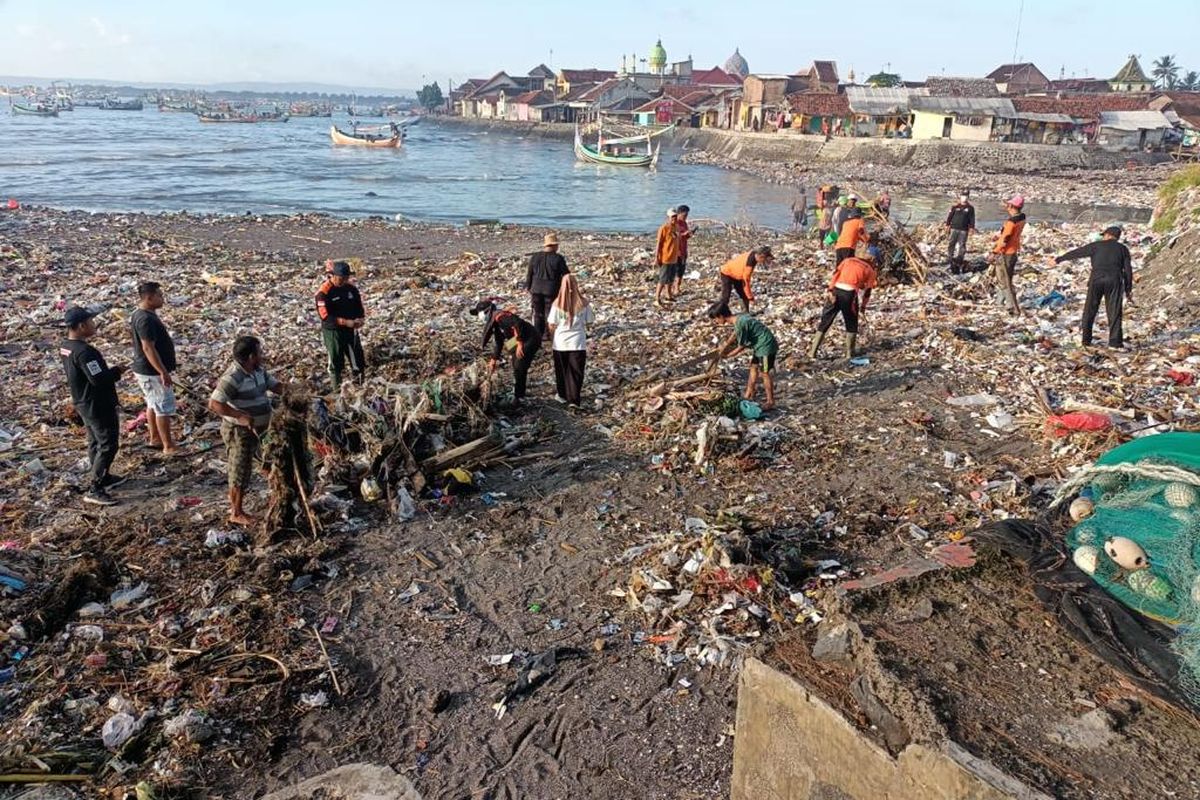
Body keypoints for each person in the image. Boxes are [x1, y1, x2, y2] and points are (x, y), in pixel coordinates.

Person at [207, 336, 286, 526]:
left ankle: (278, 497)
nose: (262, 355)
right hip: (240, 430)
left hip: (262, 429)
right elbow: (214, 403)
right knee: (240, 469)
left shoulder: (259, 371)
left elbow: (276, 387)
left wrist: (299, 392)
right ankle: (236, 512)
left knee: (269, 462)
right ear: (251, 356)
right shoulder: (233, 377)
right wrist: (239, 416)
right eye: (259, 352)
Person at [61, 306, 127, 506]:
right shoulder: (86, 352)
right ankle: (95, 487)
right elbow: (99, 379)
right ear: (81, 326)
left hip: (82, 400)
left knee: (94, 442)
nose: (94, 324)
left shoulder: (66, 346)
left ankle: (103, 476)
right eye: (90, 321)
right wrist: (117, 371)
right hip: (97, 403)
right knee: (108, 443)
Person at [1052, 225, 1134, 348]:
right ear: (1117, 238)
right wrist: (1128, 289)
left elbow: (1078, 252)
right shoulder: (1123, 249)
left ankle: (1086, 340)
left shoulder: (1096, 246)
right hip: (1115, 280)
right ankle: (1115, 342)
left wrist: (1059, 259)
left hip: (1097, 279)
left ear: (1107, 235)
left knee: (1090, 309)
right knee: (1114, 311)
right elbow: (1128, 270)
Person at [129, 281, 180, 455]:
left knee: (153, 404)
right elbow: (148, 347)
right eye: (159, 295)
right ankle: (168, 445)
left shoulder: (141, 314)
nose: (162, 298)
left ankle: (155, 438)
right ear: (149, 298)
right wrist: (162, 371)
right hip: (151, 372)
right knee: (163, 407)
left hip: (147, 370)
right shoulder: (145, 319)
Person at [808, 245, 880, 359]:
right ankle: (849, 354)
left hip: (835, 291)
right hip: (849, 295)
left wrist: (830, 290)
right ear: (873, 259)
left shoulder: (848, 260)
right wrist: (863, 307)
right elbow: (867, 292)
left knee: (825, 321)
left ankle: (812, 352)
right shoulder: (869, 270)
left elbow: (835, 274)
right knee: (851, 323)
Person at [708, 304, 779, 411]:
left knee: (764, 373)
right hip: (759, 345)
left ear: (721, 316)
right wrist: (725, 345)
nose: (716, 322)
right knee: (753, 367)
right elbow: (735, 334)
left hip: (766, 346)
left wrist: (728, 355)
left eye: (715, 319)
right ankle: (749, 393)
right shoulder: (739, 318)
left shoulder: (741, 323)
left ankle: (770, 401)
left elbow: (742, 346)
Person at [472, 299, 541, 403]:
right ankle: (517, 385)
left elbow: (518, 323)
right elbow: (499, 342)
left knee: (519, 364)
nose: (478, 316)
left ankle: (519, 396)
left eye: (479, 313)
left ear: (487, 312)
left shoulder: (501, 317)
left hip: (529, 336)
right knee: (510, 349)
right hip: (516, 338)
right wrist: (494, 360)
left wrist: (520, 343)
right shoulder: (495, 323)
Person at [315, 261, 366, 390]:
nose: (343, 281)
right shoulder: (324, 292)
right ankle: (337, 390)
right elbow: (325, 316)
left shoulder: (351, 289)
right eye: (341, 279)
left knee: (358, 359)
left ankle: (359, 387)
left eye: (346, 278)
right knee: (336, 361)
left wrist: (360, 319)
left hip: (351, 330)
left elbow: (358, 307)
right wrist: (344, 322)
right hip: (333, 331)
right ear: (333, 276)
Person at [546, 275, 595, 409]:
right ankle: (574, 400)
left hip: (560, 343)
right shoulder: (584, 303)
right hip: (577, 343)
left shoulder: (557, 304)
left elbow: (551, 324)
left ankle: (562, 395)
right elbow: (590, 321)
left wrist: (552, 337)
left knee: (562, 371)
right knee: (576, 373)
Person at [525, 232, 570, 340]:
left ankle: (537, 333)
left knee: (537, 312)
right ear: (554, 246)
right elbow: (566, 274)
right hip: (551, 290)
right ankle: (547, 334)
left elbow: (529, 274)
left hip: (535, 289)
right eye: (557, 245)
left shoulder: (535, 257)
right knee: (549, 312)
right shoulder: (558, 258)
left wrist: (529, 287)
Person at [708, 246, 773, 315]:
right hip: (727, 273)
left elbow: (767, 254)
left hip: (737, 274)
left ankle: (746, 312)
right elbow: (746, 283)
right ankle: (718, 314)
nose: (764, 262)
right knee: (726, 296)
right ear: (761, 256)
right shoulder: (749, 264)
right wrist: (751, 298)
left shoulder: (754, 253)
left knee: (743, 294)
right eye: (764, 259)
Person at [990, 195, 1027, 316]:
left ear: (1011, 206)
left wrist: (994, 252)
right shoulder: (1021, 218)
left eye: (1008, 204)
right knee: (1004, 279)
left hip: (1006, 253)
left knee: (1004, 281)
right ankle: (999, 302)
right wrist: (999, 236)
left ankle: (1012, 308)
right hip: (1014, 251)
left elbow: (1005, 239)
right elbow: (1006, 235)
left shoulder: (1012, 222)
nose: (1006, 206)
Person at [654, 208, 683, 306]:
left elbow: (677, 241)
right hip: (665, 257)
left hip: (674, 257)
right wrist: (656, 257)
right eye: (672, 217)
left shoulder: (676, 227)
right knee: (663, 279)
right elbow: (659, 243)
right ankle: (657, 298)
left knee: (670, 278)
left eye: (675, 216)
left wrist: (679, 253)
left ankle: (668, 295)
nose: (674, 218)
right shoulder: (664, 228)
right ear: (668, 217)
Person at [945, 194, 976, 269]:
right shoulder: (955, 207)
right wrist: (947, 225)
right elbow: (950, 216)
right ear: (960, 197)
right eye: (962, 196)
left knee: (962, 244)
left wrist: (972, 227)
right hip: (954, 228)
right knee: (951, 243)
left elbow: (972, 218)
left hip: (964, 229)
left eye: (965, 196)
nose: (964, 198)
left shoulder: (970, 208)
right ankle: (949, 257)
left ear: (968, 198)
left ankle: (960, 258)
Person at [673, 205, 695, 298]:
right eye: (684, 215)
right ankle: (673, 288)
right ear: (679, 213)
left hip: (683, 250)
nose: (686, 217)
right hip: (676, 250)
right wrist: (683, 234)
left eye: (687, 215)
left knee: (681, 270)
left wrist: (690, 234)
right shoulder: (674, 223)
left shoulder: (684, 223)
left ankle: (677, 287)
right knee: (675, 270)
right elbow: (673, 236)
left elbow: (686, 237)